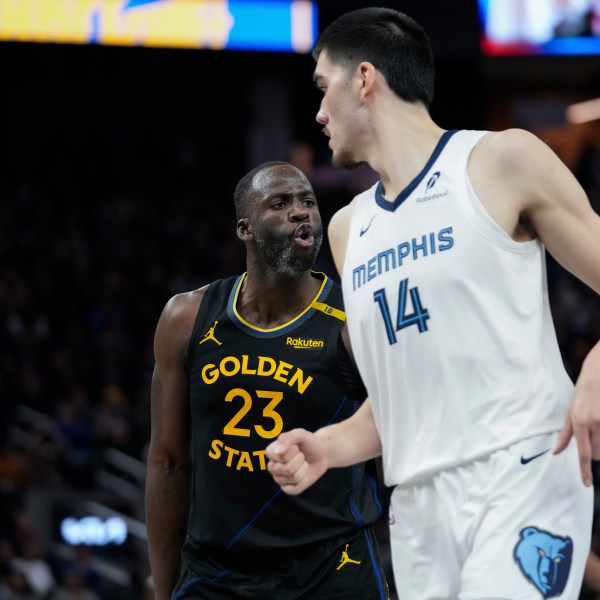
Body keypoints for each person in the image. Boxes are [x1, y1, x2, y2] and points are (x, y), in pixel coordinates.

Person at [265, 7, 600, 600]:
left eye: (323, 88)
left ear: (364, 79)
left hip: (522, 466)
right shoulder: (347, 230)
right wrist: (329, 446)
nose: (316, 112)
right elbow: (399, 399)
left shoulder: (501, 161)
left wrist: (596, 371)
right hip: (418, 506)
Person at [144, 161, 390, 600]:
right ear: (246, 229)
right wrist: (163, 592)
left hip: (333, 566)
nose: (301, 213)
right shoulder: (186, 318)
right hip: (219, 570)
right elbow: (167, 461)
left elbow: (388, 457)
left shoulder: (354, 318)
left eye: (308, 202)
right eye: (280, 204)